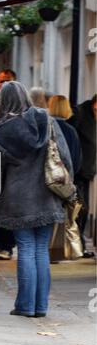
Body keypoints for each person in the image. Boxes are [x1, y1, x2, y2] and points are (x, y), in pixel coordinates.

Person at [0, 81, 73, 318]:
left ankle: (25, 306)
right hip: (48, 195)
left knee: (25, 248)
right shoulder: (48, 122)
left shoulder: (2, 130)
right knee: (41, 251)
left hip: (18, 198)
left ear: (4, 101)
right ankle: (40, 306)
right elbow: (65, 158)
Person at [0, 68, 17, 260]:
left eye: (6, 80)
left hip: (12, 166)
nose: (3, 84)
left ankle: (7, 245)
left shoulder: (17, 107)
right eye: (1, 81)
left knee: (9, 206)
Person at [69, 94, 97, 258]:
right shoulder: (80, 113)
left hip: (88, 171)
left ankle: (77, 245)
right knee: (80, 208)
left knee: (82, 209)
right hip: (77, 170)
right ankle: (76, 245)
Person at [48, 95, 82, 175]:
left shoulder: (43, 126)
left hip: (42, 179)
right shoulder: (71, 131)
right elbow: (76, 162)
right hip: (63, 179)